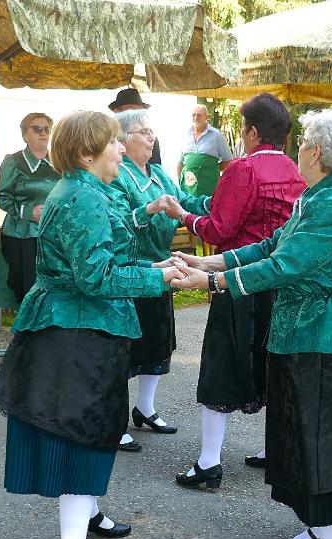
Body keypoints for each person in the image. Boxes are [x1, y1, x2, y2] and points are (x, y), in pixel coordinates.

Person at [168, 108, 332, 539]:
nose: (298, 148)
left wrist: (213, 282)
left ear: (317, 151)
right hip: (310, 339)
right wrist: (212, 260)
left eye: (304, 142)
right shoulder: (320, 194)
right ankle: (319, 530)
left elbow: (285, 265)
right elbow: (272, 245)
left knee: (324, 452)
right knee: (307, 446)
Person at [0, 110, 183, 539]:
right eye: (113, 143)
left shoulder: (85, 190)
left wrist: (154, 263)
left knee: (85, 438)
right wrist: (158, 277)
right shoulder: (83, 197)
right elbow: (96, 278)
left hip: (75, 330)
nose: (122, 149)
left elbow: (108, 246)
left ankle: (86, 521)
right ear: (86, 153)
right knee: (83, 442)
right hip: (77, 335)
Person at [160, 92, 306, 485]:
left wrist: (183, 216)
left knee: (222, 366)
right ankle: (275, 450)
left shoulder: (244, 168)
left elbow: (218, 229)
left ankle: (209, 462)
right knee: (273, 364)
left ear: (253, 132)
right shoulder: (294, 170)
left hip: (237, 281)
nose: (242, 135)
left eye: (243, 128)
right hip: (278, 282)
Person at [111, 109, 212, 448]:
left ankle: (145, 408)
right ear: (124, 140)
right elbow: (118, 222)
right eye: (144, 131)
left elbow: (187, 202)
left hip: (162, 268)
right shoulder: (119, 175)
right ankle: (115, 420)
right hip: (132, 270)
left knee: (156, 341)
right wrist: (149, 209)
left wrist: (221, 201)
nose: (151, 137)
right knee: (126, 347)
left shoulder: (158, 174)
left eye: (152, 131)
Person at [0, 112, 58, 309]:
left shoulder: (59, 161)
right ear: (24, 135)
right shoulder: (14, 161)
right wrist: (29, 212)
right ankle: (27, 326)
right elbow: (2, 197)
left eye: (47, 129)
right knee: (28, 289)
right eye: (36, 129)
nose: (43, 133)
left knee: (54, 289)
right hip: (21, 235)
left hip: (53, 235)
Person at [177, 104, 233, 197]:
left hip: (209, 190)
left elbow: (228, 160)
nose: (195, 118)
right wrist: (180, 181)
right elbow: (180, 163)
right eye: (193, 115)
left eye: (199, 115)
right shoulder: (185, 134)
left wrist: (210, 169)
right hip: (187, 190)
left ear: (206, 117)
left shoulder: (217, 136)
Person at [108, 88, 161, 166]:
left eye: (140, 111)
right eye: (132, 110)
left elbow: (155, 165)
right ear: (117, 111)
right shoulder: (106, 138)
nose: (137, 115)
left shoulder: (151, 140)